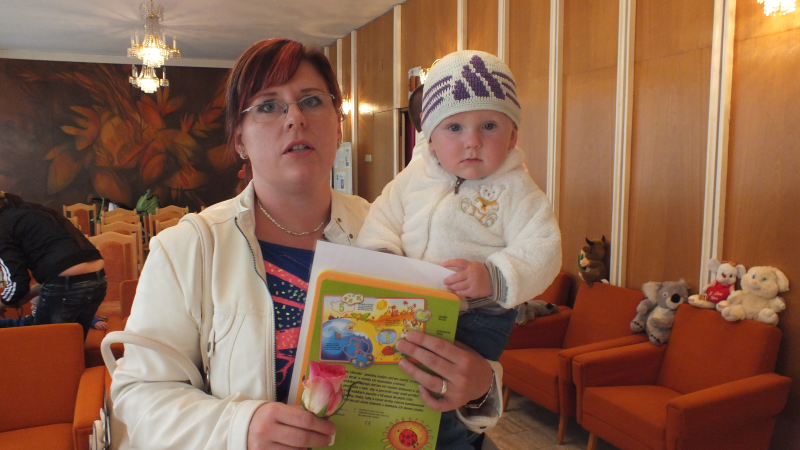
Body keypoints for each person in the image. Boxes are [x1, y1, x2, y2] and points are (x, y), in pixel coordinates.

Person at [111, 38, 497, 450]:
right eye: (268, 106)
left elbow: (456, 352)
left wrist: (481, 387)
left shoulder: (398, 231)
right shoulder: (188, 249)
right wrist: (240, 427)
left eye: (311, 101)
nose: (295, 117)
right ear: (239, 139)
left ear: (338, 125)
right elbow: (139, 395)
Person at [357, 50, 562, 368]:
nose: (473, 141)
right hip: (410, 305)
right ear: (430, 140)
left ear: (512, 137)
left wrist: (493, 277)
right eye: (454, 128)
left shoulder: (517, 190)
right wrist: (382, 255)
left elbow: (543, 249)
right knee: (397, 375)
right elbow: (383, 216)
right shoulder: (414, 177)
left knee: (446, 387)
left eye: (489, 125)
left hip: (477, 318)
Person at [0, 191, 107, 338]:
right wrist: (26, 295)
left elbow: (17, 283)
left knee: (48, 346)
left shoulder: (3, 224)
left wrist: (3, 303)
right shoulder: (30, 212)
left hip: (67, 284)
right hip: (98, 279)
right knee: (73, 344)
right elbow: (63, 268)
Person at [0, 295, 108, 330]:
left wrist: (95, 321)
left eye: (35, 306)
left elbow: (81, 316)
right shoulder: (32, 319)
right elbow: (14, 323)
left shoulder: (62, 315)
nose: (32, 308)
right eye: (31, 305)